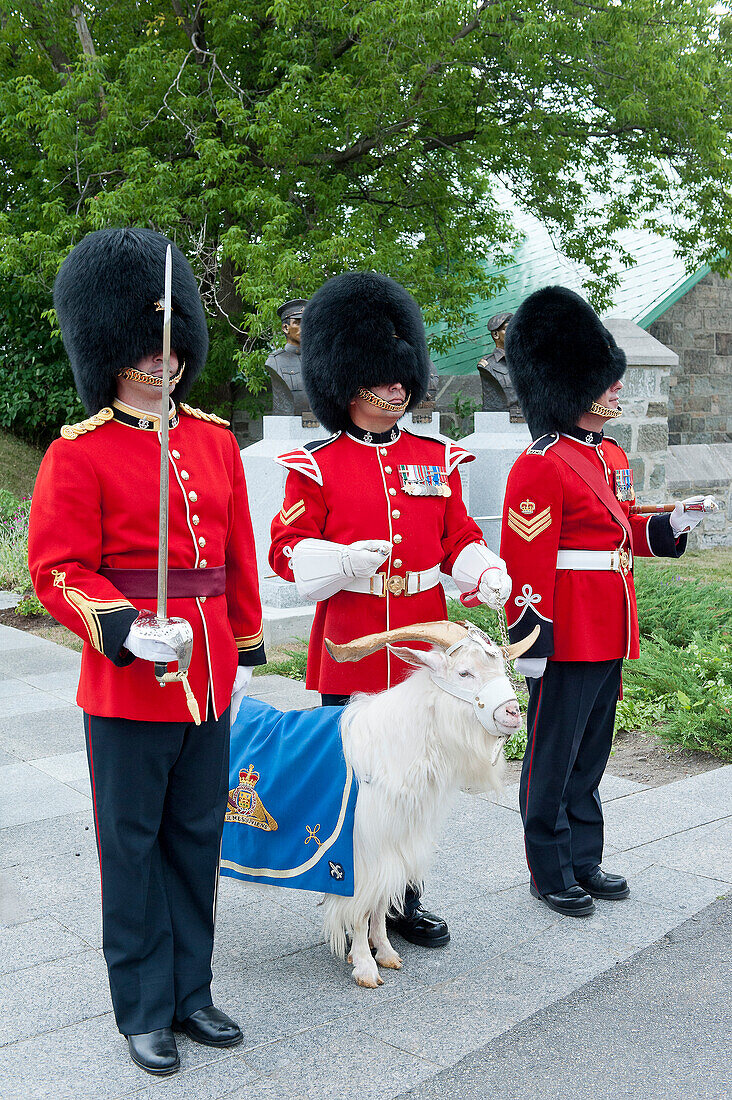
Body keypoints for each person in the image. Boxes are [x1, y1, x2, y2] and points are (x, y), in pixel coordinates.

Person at [28, 228, 266, 1075]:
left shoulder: (209, 440)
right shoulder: (78, 450)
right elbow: (57, 569)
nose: (161, 364)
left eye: (171, 347)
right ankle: (142, 1005)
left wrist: (244, 638)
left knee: (197, 837)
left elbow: (234, 548)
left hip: (205, 677)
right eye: (142, 350)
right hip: (130, 682)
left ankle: (192, 992)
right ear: (111, 353)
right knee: (130, 847)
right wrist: (123, 625)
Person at [269, 271, 511, 946]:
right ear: (348, 382)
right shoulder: (315, 464)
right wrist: (343, 560)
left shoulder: (436, 457)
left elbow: (456, 536)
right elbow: (285, 553)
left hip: (425, 653)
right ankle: (346, 900)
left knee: (421, 779)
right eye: (382, 375)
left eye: (402, 374)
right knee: (357, 784)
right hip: (351, 642)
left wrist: (484, 570)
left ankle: (405, 899)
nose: (398, 386)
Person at [500, 285, 710, 918]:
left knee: (591, 752)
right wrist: (530, 639)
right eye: (606, 382)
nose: (617, 391)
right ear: (576, 387)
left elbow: (621, 533)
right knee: (552, 753)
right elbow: (526, 561)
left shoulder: (610, 453)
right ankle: (549, 867)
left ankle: (584, 858)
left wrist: (674, 521)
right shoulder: (541, 463)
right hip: (566, 627)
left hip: (610, 624)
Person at [265, 298, 312, 417]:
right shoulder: (275, 361)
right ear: (286, 328)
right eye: (297, 322)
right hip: (287, 422)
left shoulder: (317, 361)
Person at [476, 311, 521, 417]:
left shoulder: (523, 363)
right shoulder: (487, 366)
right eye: (508, 329)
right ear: (496, 334)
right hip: (499, 419)